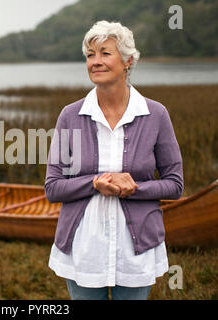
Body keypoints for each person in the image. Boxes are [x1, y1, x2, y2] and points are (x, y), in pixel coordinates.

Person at [44, 20, 184, 300]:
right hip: (83, 248)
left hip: (136, 251)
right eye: (89, 55)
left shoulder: (156, 115)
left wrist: (132, 187)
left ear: (128, 60)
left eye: (105, 53)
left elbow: (174, 184)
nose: (95, 62)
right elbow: (53, 187)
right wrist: (96, 183)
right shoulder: (70, 116)